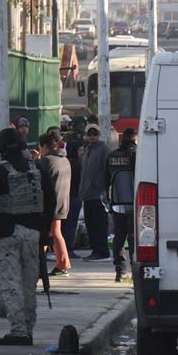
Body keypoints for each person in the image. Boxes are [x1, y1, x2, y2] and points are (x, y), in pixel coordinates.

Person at [0, 128, 55, 346]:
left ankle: (19, 331)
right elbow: (50, 202)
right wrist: (45, 232)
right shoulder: (38, 170)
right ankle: (28, 328)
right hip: (33, 233)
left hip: (6, 234)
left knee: (11, 283)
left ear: (1, 149)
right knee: (29, 283)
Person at [37, 133, 72, 276]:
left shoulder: (46, 162)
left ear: (44, 146)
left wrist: (36, 160)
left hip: (49, 204)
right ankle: (59, 264)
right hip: (63, 201)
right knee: (53, 232)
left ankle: (60, 264)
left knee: (48, 233)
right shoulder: (64, 160)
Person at [78, 123, 112, 261]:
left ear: (99, 135)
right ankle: (95, 250)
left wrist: (105, 190)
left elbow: (107, 171)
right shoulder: (87, 149)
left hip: (98, 194)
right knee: (90, 224)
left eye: (95, 134)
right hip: (87, 194)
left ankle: (102, 251)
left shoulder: (104, 149)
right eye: (89, 134)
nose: (92, 136)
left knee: (99, 224)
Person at [107, 128, 138, 280]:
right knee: (133, 238)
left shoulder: (113, 156)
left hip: (117, 202)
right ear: (135, 140)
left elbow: (106, 179)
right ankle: (134, 270)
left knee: (119, 237)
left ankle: (120, 271)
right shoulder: (138, 155)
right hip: (135, 203)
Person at [61, 116, 87, 258]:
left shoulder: (63, 163)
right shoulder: (77, 165)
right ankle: (69, 249)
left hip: (63, 197)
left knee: (65, 224)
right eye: (80, 150)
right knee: (71, 223)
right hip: (74, 196)